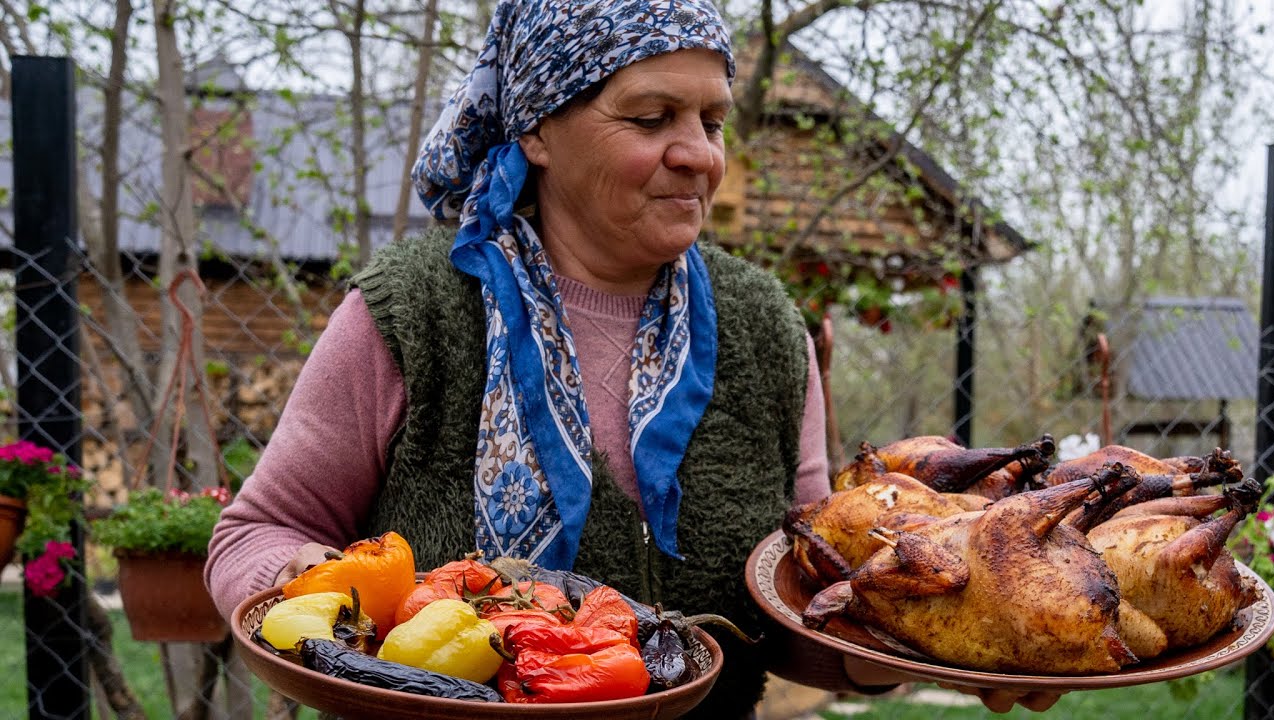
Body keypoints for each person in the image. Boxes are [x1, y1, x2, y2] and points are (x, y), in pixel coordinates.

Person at [206, 0, 1059, 715]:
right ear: (539, 129)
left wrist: (940, 639)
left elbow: (804, 604)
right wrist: (325, 599)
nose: (700, 153)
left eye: (712, 120)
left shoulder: (763, 330)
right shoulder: (415, 312)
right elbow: (257, 532)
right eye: (652, 118)